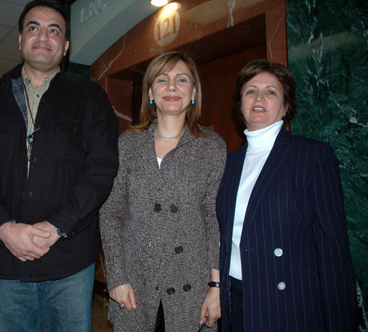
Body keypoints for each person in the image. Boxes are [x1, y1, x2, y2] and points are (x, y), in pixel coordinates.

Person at [0, 0, 119, 331]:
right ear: (20, 39)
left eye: (54, 30)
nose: (43, 36)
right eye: (34, 27)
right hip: (4, 262)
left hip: (70, 264)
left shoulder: (91, 99)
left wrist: (56, 227)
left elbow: (100, 172)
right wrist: (4, 228)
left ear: (66, 45)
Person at [216, 59, 359, 332]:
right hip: (236, 300)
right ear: (241, 104)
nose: (259, 97)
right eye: (250, 91)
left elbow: (333, 251)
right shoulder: (228, 163)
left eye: (271, 92)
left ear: (286, 106)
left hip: (287, 304)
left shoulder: (312, 156)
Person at [99, 51, 226, 332]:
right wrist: (116, 277)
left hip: (190, 285)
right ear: (151, 93)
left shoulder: (211, 147)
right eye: (162, 79)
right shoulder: (128, 144)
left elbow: (214, 220)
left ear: (193, 92)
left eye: (182, 79)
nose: (172, 87)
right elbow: (110, 213)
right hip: (135, 283)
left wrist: (216, 287)